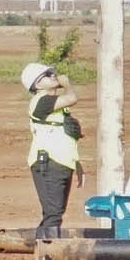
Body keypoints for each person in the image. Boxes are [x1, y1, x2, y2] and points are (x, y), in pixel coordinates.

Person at [23, 62, 83, 240]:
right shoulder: (42, 102)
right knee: (53, 212)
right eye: (47, 75)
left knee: (55, 211)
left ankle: (43, 251)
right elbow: (72, 98)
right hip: (49, 163)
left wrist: (77, 164)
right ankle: (50, 259)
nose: (53, 76)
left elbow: (66, 136)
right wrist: (67, 84)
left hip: (62, 162)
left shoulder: (56, 106)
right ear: (37, 84)